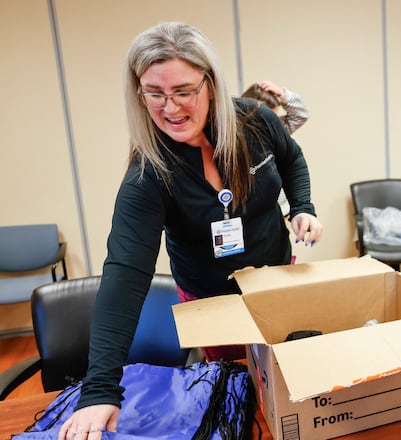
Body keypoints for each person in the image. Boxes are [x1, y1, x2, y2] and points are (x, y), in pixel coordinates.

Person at [57, 21, 323, 439]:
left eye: (184, 91)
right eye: (154, 93)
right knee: (239, 394)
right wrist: (99, 389)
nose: (170, 108)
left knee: (287, 380)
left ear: (210, 85)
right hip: (212, 298)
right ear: (138, 92)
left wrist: (302, 207)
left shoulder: (255, 121)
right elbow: (125, 274)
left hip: (275, 278)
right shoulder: (149, 174)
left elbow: (292, 159)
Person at [242, 80, 310, 216]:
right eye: (266, 117)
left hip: (280, 208)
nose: (270, 123)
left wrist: (283, 94)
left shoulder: (276, 128)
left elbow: (300, 115)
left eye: (274, 117)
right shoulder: (236, 137)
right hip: (252, 212)